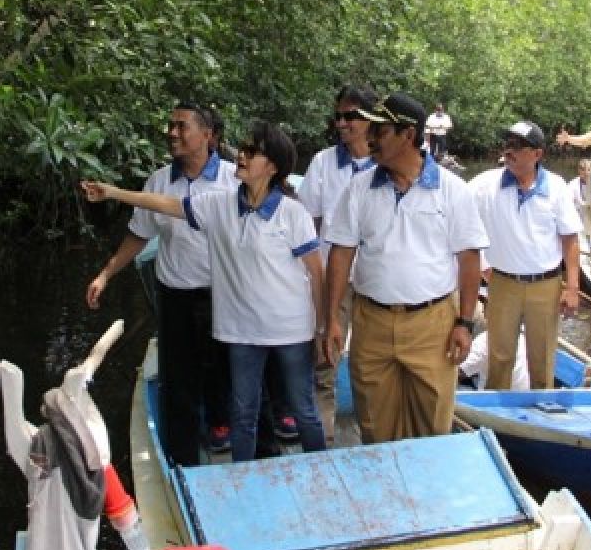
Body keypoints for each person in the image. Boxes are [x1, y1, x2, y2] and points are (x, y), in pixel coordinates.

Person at [82, 121, 327, 462]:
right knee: (242, 414)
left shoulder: (292, 213)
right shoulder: (218, 205)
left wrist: (321, 328)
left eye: (251, 152)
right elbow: (165, 204)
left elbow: (316, 273)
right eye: (242, 148)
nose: (240, 155)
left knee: (303, 410)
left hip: (290, 329)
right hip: (241, 331)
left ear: (271, 166)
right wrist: (113, 192)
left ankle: (321, 467)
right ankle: (244, 477)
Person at [323, 92, 487, 444]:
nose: (370, 138)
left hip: (433, 326)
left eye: (380, 131)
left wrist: (464, 323)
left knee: (432, 427)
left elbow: (470, 260)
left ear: (408, 135)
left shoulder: (453, 191)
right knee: (374, 426)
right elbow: (340, 254)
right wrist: (333, 319)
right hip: (371, 324)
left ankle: (428, 497)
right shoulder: (359, 188)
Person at [83, 101, 236, 465]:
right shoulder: (160, 180)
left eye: (182, 126)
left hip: (224, 293)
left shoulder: (234, 179)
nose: (172, 133)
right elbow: (138, 234)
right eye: (171, 125)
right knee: (178, 376)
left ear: (208, 136)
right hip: (175, 295)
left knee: (222, 366)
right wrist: (105, 274)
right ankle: (183, 456)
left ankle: (220, 425)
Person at [471, 121, 582, 390]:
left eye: (518, 146)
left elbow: (570, 238)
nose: (510, 151)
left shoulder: (556, 187)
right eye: (508, 144)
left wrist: (572, 287)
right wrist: (484, 266)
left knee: (541, 357)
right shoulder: (486, 185)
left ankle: (540, 410)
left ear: (537, 154)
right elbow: (464, 221)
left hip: (545, 285)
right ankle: (497, 415)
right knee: (499, 355)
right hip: (503, 283)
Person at [298, 85, 377, 442]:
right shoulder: (323, 163)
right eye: (339, 116)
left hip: (378, 283)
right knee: (325, 361)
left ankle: (372, 439)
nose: (342, 123)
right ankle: (323, 439)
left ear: (371, 120)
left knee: (372, 365)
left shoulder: (389, 163)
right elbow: (305, 223)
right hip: (334, 278)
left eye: (351, 116)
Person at [567, 158, 591, 238]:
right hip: (579, 217)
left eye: (588, 170)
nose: (586, 173)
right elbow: (568, 202)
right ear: (579, 170)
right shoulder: (572, 184)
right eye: (583, 170)